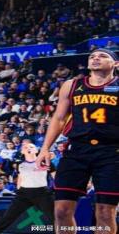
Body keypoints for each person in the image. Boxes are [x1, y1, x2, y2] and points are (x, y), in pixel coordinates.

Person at [36, 49, 119, 234]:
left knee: (105, 212)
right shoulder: (71, 85)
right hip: (76, 150)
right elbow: (59, 118)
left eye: (102, 56)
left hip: (112, 152)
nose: (95, 58)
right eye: (92, 56)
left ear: (116, 64)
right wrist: (45, 148)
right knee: (61, 210)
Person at [0, 143, 54, 233]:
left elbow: (56, 177)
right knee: (7, 217)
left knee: (55, 217)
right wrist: (18, 190)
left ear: (36, 150)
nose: (29, 148)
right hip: (23, 194)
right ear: (22, 151)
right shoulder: (19, 164)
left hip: (42, 193)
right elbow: (20, 178)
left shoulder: (46, 162)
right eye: (25, 147)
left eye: (31, 147)